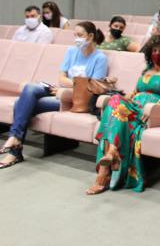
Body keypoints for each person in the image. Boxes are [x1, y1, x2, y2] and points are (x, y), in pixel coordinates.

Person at [87, 35, 160, 194]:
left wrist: (158, 109)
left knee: (116, 117)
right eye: (154, 50)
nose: (157, 54)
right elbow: (134, 92)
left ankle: (104, 173)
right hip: (134, 107)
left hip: (152, 111)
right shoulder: (147, 70)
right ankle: (111, 153)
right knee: (115, 102)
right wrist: (123, 99)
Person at [1, 22, 108, 169]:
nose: (76, 39)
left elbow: (91, 88)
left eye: (80, 35)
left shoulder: (100, 58)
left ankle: (15, 150)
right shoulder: (71, 51)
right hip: (59, 90)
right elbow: (61, 78)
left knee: (21, 104)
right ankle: (15, 138)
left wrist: (66, 89)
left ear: (90, 36)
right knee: (30, 88)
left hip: (73, 100)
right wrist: (74, 84)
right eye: (75, 35)